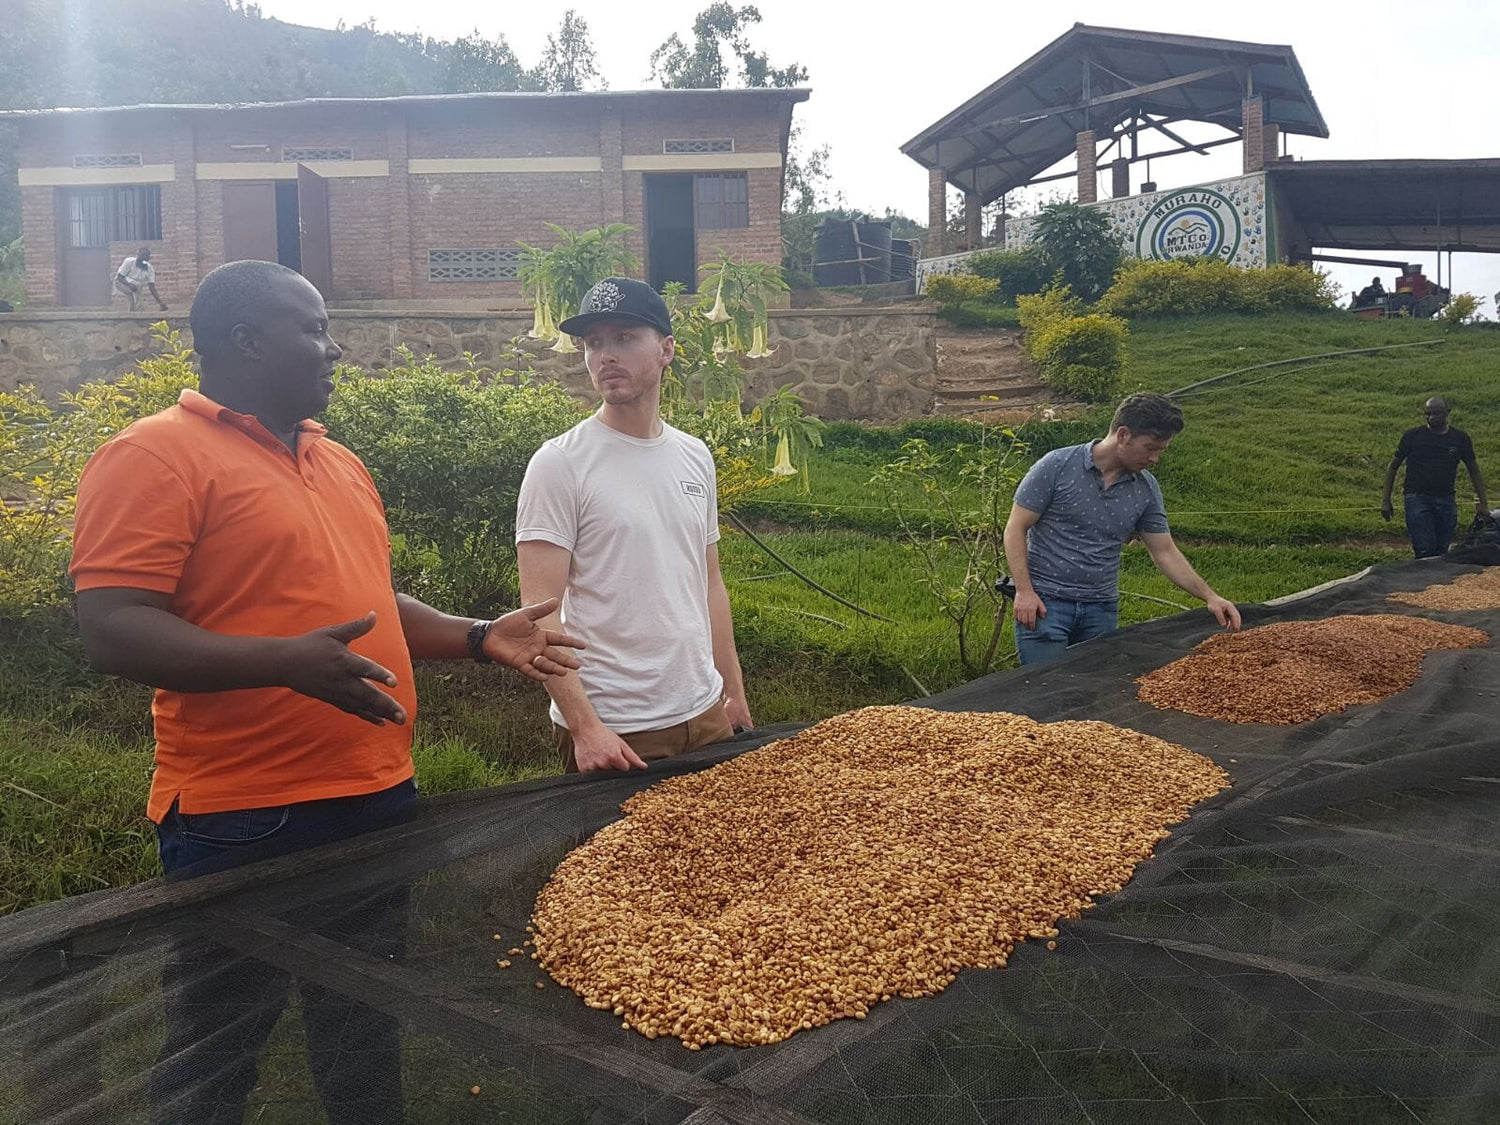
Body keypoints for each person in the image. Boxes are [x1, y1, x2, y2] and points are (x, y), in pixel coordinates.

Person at [69, 259, 584, 1125]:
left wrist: (477, 636)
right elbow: (112, 626)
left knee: (361, 1035)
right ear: (245, 342)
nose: (333, 347)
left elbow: (370, 604)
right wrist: (281, 662)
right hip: (245, 818)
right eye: (312, 329)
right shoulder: (153, 454)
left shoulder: (336, 458)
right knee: (215, 1053)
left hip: (378, 796)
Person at [516, 277, 752, 773]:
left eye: (624, 338)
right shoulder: (560, 463)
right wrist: (585, 728)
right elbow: (539, 614)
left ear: (666, 349)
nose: (605, 356)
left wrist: (732, 692)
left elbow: (708, 582)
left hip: (704, 710)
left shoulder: (694, 456)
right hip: (618, 728)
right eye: (593, 343)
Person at [1003, 392, 1242, 666]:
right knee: (1043, 694)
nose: (1155, 458)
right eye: (1150, 447)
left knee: (1097, 695)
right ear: (1123, 435)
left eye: (1160, 450)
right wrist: (1024, 591)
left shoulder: (1146, 488)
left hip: (1100, 610)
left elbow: (1164, 551)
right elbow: (1015, 529)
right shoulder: (1056, 466)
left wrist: (1210, 596)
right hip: (1045, 606)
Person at [1381, 396, 1490, 558]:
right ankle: (1423, 582)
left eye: (1437, 413)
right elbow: (1393, 467)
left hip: (1446, 498)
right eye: (1428, 413)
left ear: (1447, 413)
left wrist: (1483, 502)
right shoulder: (1413, 436)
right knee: (1424, 549)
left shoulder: (1460, 439)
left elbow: (1473, 470)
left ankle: (1439, 583)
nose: (1432, 417)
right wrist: (1386, 500)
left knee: (1442, 551)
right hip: (1417, 498)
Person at [113, 247, 168, 311]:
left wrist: (160, 302)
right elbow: (120, 277)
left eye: (147, 256)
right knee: (137, 285)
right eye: (143, 255)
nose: (144, 257)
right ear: (138, 255)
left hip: (134, 286)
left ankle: (132, 315)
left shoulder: (149, 269)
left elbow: (152, 287)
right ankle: (140, 310)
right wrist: (129, 285)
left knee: (132, 300)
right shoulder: (129, 262)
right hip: (120, 283)